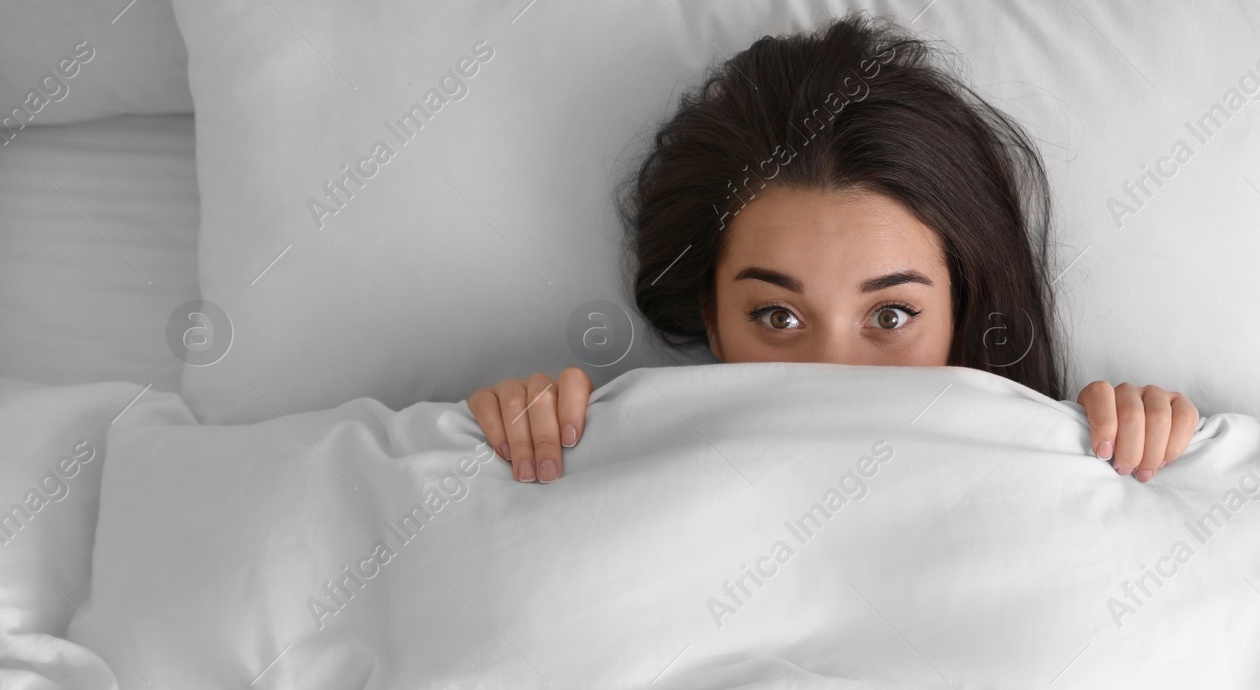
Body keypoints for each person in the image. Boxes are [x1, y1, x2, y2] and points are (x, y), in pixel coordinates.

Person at [468, 13, 1198, 484]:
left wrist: (1143, 445)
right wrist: (528, 440)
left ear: (962, 310)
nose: (834, 373)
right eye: (778, 317)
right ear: (713, 318)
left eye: (890, 316)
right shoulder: (622, 469)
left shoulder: (1063, 471)